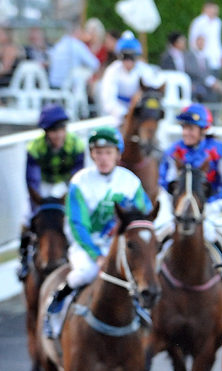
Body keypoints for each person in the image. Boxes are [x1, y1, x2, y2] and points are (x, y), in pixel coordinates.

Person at [44, 126, 151, 337]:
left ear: (117, 154)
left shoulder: (130, 182)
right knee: (86, 273)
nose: (103, 158)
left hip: (119, 245)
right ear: (91, 154)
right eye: (98, 152)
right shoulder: (80, 182)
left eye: (108, 152)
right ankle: (55, 312)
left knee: (143, 275)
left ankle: (142, 313)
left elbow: (144, 215)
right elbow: (77, 225)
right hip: (87, 245)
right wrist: (97, 256)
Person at [158, 103, 222, 293]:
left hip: (209, 208)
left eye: (191, 129)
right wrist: (176, 206)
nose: (186, 133)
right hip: (178, 210)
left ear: (203, 130)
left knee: (212, 235)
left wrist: (213, 204)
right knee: (158, 238)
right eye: (184, 128)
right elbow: (164, 183)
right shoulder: (173, 152)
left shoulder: (219, 151)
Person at [19, 105, 85, 280]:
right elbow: (32, 180)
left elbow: (76, 178)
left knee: (71, 217)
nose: (58, 135)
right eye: (53, 131)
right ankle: (24, 259)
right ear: (46, 132)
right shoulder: (35, 147)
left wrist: (67, 201)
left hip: (65, 183)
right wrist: (37, 206)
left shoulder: (76, 145)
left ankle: (73, 252)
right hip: (44, 183)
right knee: (25, 217)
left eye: (61, 130)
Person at [97, 31, 157, 125]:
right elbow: (108, 99)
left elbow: (152, 91)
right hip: (117, 114)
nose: (128, 61)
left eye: (132, 57)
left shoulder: (144, 70)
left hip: (140, 112)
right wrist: (124, 113)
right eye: (125, 57)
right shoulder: (112, 71)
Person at [47, 22, 100, 92]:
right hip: (69, 88)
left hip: (53, 86)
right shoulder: (77, 45)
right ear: (77, 31)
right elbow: (95, 64)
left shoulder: (58, 45)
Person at [188, 2, 222, 80]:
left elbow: (217, 40)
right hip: (203, 57)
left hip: (215, 57)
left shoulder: (218, 22)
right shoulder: (198, 22)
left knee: (215, 79)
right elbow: (193, 40)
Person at [188, 33, 222, 104]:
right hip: (197, 82)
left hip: (208, 81)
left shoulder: (206, 57)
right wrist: (210, 81)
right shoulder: (190, 56)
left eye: (203, 41)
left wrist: (213, 81)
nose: (201, 43)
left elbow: (208, 71)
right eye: (199, 41)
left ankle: (216, 113)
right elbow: (194, 71)